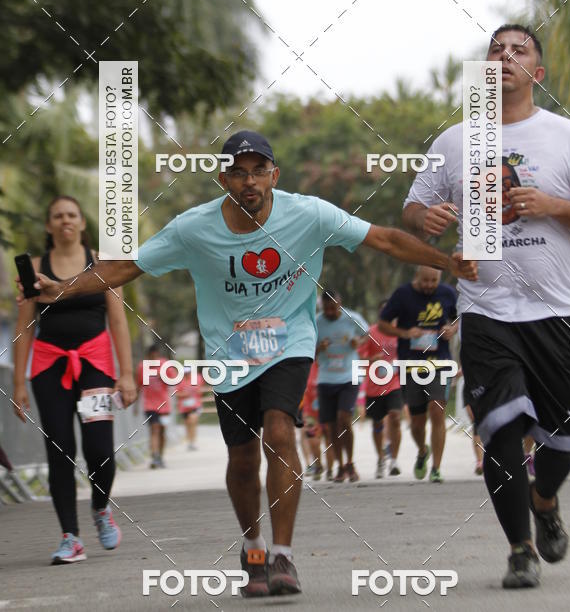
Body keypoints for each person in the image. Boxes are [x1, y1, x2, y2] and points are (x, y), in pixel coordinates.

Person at [21, 130, 477, 596]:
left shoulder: (309, 214)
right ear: (223, 180)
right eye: (238, 172)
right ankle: (254, 548)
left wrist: (447, 261)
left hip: (290, 343)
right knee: (241, 458)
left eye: (259, 171)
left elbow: (384, 240)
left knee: (280, 430)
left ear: (274, 175)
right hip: (229, 352)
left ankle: (282, 556)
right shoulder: (193, 228)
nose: (249, 181)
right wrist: (64, 288)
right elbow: (127, 266)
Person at [402, 25, 570, 588]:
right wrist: (431, 221)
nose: (504, 56)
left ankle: (544, 500)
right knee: (500, 428)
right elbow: (415, 209)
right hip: (486, 308)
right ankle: (520, 550)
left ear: (537, 73)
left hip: (555, 310)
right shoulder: (456, 141)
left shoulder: (567, 138)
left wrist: (551, 205)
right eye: (495, 48)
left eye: (520, 50)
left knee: (563, 439)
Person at [12, 195, 136, 564]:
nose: (65, 220)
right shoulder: (33, 267)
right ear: (49, 226)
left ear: (82, 223)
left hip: (96, 365)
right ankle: (70, 537)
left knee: (100, 448)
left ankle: (100, 508)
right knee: (60, 449)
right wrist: (19, 384)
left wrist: (126, 374)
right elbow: (24, 328)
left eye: (72, 215)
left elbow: (117, 320)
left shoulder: (102, 263)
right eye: (57, 216)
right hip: (49, 369)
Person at [378, 266, 458, 483]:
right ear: (417, 276)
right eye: (425, 280)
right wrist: (404, 333)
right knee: (417, 422)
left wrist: (452, 329)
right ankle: (423, 451)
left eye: (434, 280)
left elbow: (458, 317)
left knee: (437, 410)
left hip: (439, 362)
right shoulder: (402, 295)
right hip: (411, 365)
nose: (430, 285)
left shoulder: (448, 293)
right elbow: (382, 324)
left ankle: (436, 468)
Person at [315, 289, 368, 483]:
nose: (330, 312)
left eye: (334, 308)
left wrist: (357, 342)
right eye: (327, 309)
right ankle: (339, 466)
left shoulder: (352, 318)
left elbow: (366, 334)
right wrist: (319, 348)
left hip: (349, 375)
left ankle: (351, 462)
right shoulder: (317, 322)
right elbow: (308, 350)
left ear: (340, 304)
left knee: (343, 418)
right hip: (326, 378)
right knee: (330, 427)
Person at [358, 315, 404, 478]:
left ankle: (394, 460)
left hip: (395, 383)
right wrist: (371, 359)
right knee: (377, 424)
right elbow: (359, 356)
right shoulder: (370, 332)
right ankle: (380, 458)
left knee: (395, 417)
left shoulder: (401, 332)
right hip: (374, 386)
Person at [136, 344, 172, 467]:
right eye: (152, 356)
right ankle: (155, 455)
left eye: (156, 355)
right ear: (149, 355)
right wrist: (135, 405)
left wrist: (163, 376)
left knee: (162, 431)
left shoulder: (165, 364)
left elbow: (173, 380)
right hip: (149, 405)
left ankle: (160, 456)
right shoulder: (142, 366)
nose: (154, 358)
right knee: (154, 428)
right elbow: (138, 385)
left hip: (164, 405)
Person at [176, 363, 204, 451]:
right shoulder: (180, 381)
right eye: (185, 373)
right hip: (184, 407)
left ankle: (192, 441)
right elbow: (176, 394)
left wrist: (199, 392)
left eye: (188, 372)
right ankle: (190, 441)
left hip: (195, 405)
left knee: (193, 421)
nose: (187, 374)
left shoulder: (198, 378)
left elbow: (201, 387)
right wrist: (184, 394)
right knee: (188, 424)